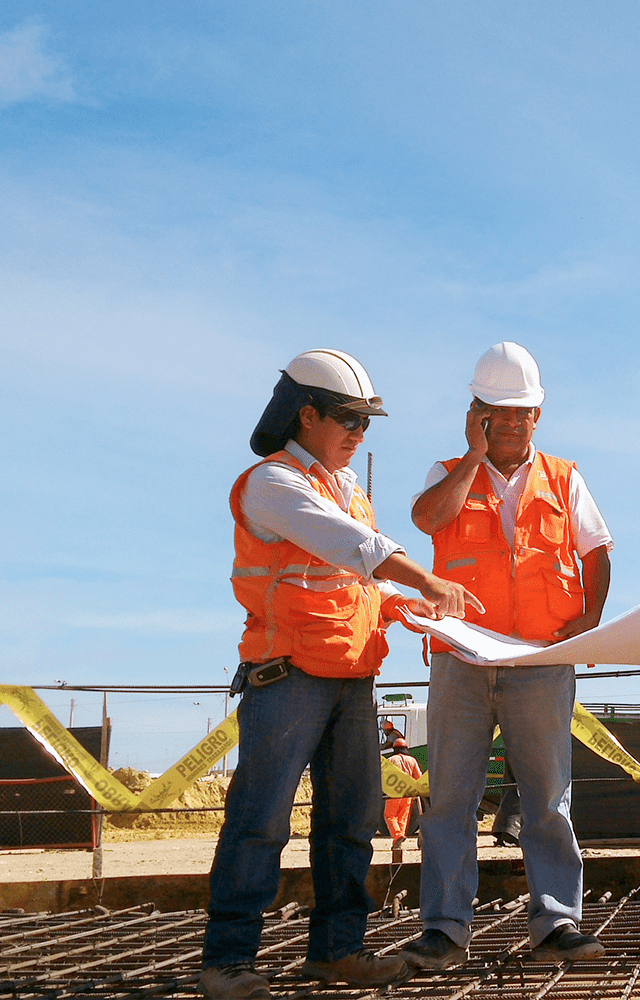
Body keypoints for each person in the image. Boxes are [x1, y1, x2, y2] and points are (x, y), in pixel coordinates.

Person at [200, 350, 483, 1000]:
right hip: (287, 678)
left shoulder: (349, 489)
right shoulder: (272, 482)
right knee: (261, 820)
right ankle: (228, 962)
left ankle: (337, 951)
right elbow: (349, 545)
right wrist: (427, 581)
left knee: (351, 821)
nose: (359, 432)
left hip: (353, 677)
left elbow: (358, 581)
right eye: (349, 419)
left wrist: (403, 605)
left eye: (365, 422)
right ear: (307, 415)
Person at [400, 342, 612, 969]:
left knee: (547, 799)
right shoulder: (448, 472)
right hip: (461, 660)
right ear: (478, 415)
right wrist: (473, 456)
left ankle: (557, 922)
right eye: (498, 411)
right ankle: (444, 928)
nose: (513, 423)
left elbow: (597, 551)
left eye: (523, 411)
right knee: (451, 798)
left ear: (538, 415)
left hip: (541, 660)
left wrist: (591, 621)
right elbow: (426, 520)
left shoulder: (565, 478)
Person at [383, 738, 423, 844]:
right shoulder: (412, 760)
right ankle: (398, 843)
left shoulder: (391, 760)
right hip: (408, 794)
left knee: (390, 816)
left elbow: (384, 777)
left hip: (394, 793)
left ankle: (398, 836)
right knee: (402, 819)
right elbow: (419, 777)